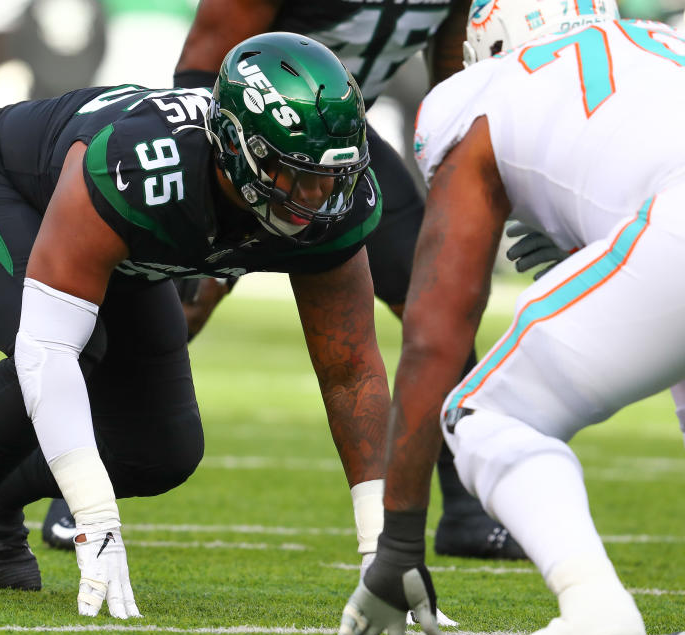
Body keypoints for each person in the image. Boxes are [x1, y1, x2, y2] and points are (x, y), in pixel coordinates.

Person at [0, 32, 392, 617]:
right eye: (294, 174)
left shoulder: (330, 200)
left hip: (122, 246)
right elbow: (49, 346)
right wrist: (95, 519)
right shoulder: (141, 164)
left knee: (161, 451)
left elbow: (351, 372)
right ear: (232, 146)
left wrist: (385, 553)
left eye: (332, 177)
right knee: (78, 345)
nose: (319, 197)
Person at [46, 0, 529, 562]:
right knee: (178, 306)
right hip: (248, 144)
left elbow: (453, 80)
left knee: (441, 297)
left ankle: (466, 506)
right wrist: (220, 193)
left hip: (346, 149)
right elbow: (204, 66)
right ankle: (77, 482)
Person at [337, 1, 685, 635]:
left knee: (485, 413)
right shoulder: (655, 40)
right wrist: (602, 232)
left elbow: (436, 331)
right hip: (666, 219)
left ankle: (596, 612)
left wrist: (398, 549)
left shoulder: (478, 96)